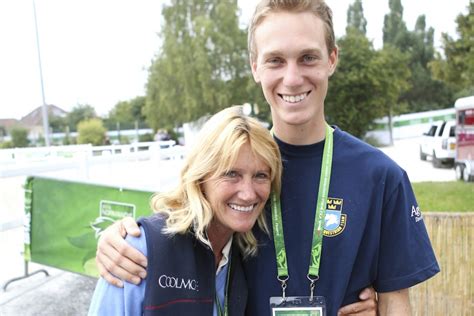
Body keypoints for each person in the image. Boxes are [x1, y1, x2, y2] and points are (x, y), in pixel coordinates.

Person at [95, 0, 440, 315]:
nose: (292, 78)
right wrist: (118, 237)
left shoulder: (382, 177)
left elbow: (397, 299)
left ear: (332, 59)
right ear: (256, 67)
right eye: (276, 60)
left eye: (308, 57)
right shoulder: (234, 169)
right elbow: (178, 226)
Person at [88, 106, 283, 315]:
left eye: (260, 175)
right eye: (231, 173)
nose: (248, 194)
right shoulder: (137, 250)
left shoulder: (243, 254)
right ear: (200, 178)